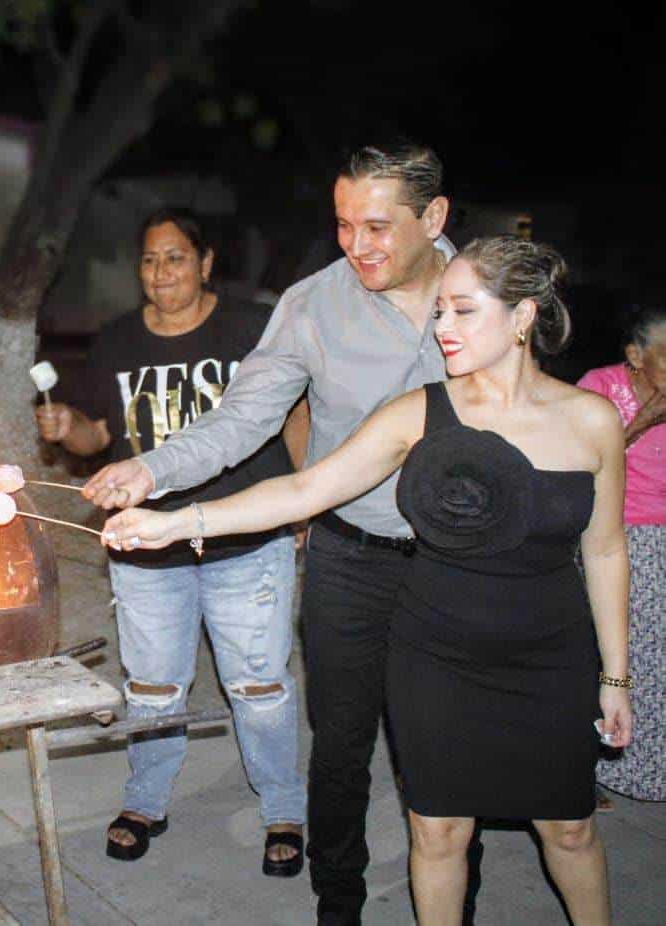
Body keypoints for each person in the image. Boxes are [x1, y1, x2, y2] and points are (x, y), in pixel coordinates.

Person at [102, 236, 633, 926]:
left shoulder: (591, 421)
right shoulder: (419, 413)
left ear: (523, 317)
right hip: (436, 655)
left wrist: (615, 676)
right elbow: (306, 489)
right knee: (437, 831)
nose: (442, 329)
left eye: (464, 312)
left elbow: (606, 550)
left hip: (550, 658)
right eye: (440, 311)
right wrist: (178, 521)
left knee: (569, 831)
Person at [83, 140, 470, 924]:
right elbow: (241, 421)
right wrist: (151, 471)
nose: (356, 247)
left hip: (459, 564)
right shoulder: (310, 305)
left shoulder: (485, 294)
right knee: (341, 745)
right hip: (349, 556)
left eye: (376, 226)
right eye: (341, 226)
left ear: (433, 218)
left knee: (451, 760)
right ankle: (338, 899)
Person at [35, 206, 309, 871]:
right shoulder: (118, 341)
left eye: (177, 257)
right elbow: (99, 438)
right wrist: (66, 423)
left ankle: (282, 805)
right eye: (151, 260)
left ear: (206, 261)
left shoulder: (251, 328)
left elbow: (295, 414)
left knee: (259, 686)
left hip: (248, 537)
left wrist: (303, 502)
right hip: (146, 545)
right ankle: (147, 796)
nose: (162, 273)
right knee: (153, 686)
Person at [578, 303, 666, 803]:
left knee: (656, 659)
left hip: (662, 532)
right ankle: (601, 768)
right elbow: (582, 460)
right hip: (614, 531)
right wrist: (643, 421)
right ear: (635, 355)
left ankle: (649, 767)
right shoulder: (601, 387)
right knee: (620, 651)